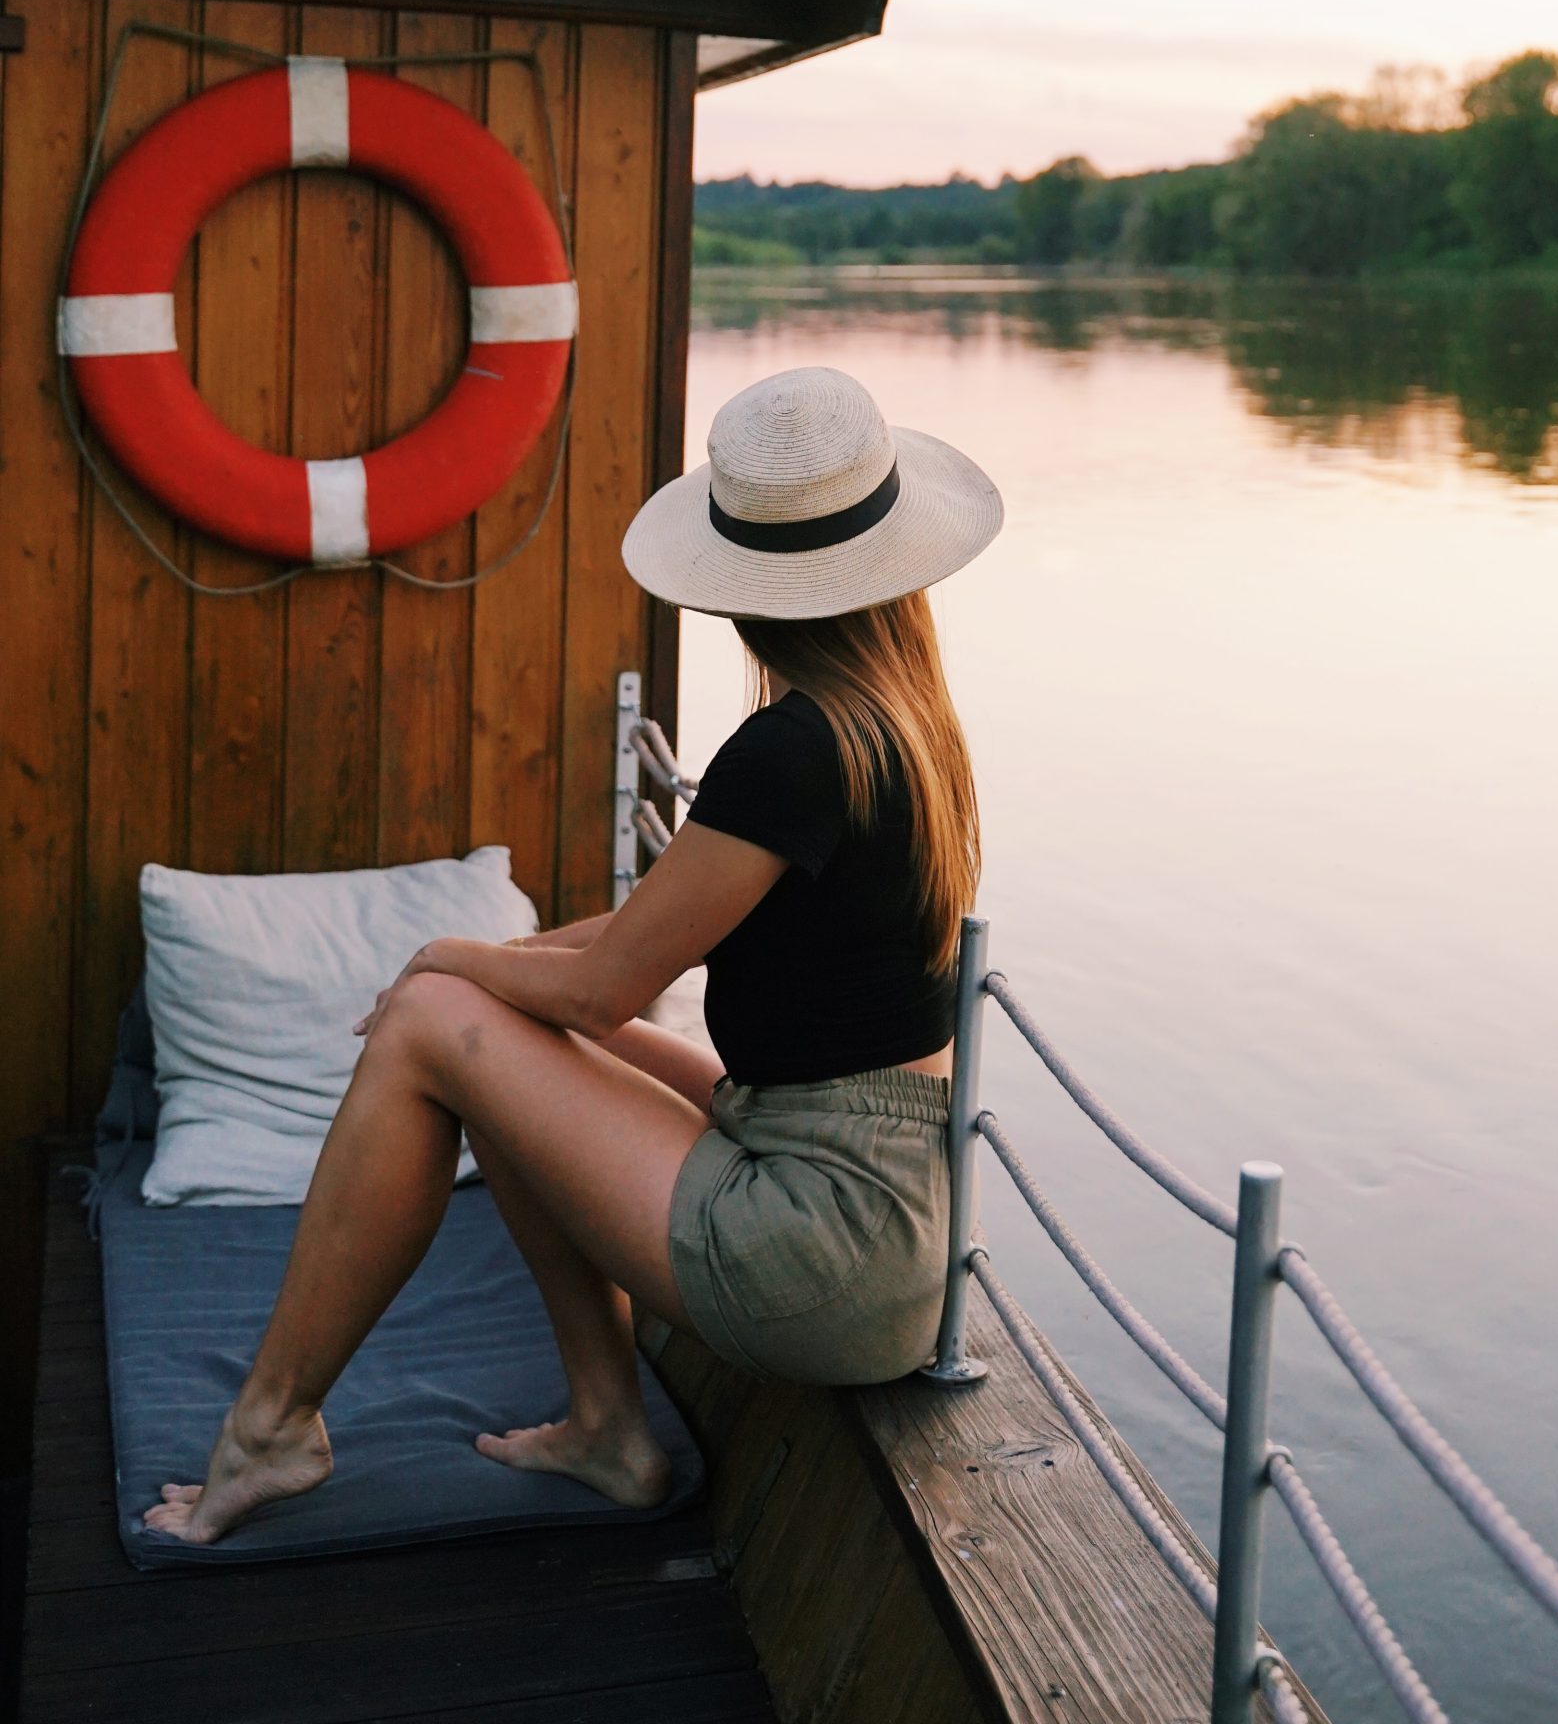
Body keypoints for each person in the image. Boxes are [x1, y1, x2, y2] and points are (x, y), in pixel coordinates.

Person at [143, 365, 1002, 1544]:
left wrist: (445, 958)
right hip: (887, 1206)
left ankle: (272, 1426)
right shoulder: (897, 726)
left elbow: (608, 989)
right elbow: (643, 931)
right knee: (482, 1024)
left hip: (822, 1247)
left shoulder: (791, 751)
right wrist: (497, 964)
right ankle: (606, 1424)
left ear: (742, 593)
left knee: (436, 1024)